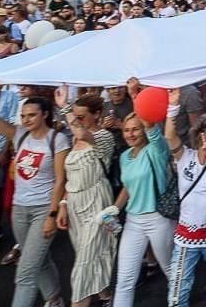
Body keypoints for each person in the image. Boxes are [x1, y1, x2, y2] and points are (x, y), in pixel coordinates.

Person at [0, 79, 69, 307]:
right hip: (19, 209)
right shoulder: (19, 135)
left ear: (45, 115)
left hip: (43, 209)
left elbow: (61, 180)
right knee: (40, 260)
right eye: (23, 115)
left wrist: (52, 215)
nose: (26, 119)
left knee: (26, 269)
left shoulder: (57, 140)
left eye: (31, 115)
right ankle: (55, 299)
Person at [109, 106, 177, 306]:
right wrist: (114, 210)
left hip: (159, 219)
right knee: (124, 279)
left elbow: (154, 133)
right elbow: (128, 188)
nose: (130, 134)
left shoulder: (156, 150)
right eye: (127, 130)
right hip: (132, 221)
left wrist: (137, 99)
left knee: (171, 271)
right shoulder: (125, 156)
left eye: (136, 129)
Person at [164, 91, 206, 307]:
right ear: (199, 137)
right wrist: (172, 106)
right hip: (185, 237)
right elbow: (170, 137)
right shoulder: (185, 156)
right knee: (179, 287)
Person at [56, 93, 116, 307]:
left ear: (97, 114)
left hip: (97, 202)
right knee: (89, 254)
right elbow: (71, 177)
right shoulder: (75, 139)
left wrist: (64, 108)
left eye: (82, 117)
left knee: (84, 264)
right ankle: (106, 294)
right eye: (76, 117)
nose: (78, 121)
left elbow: (81, 132)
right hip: (75, 204)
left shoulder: (104, 138)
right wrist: (63, 204)